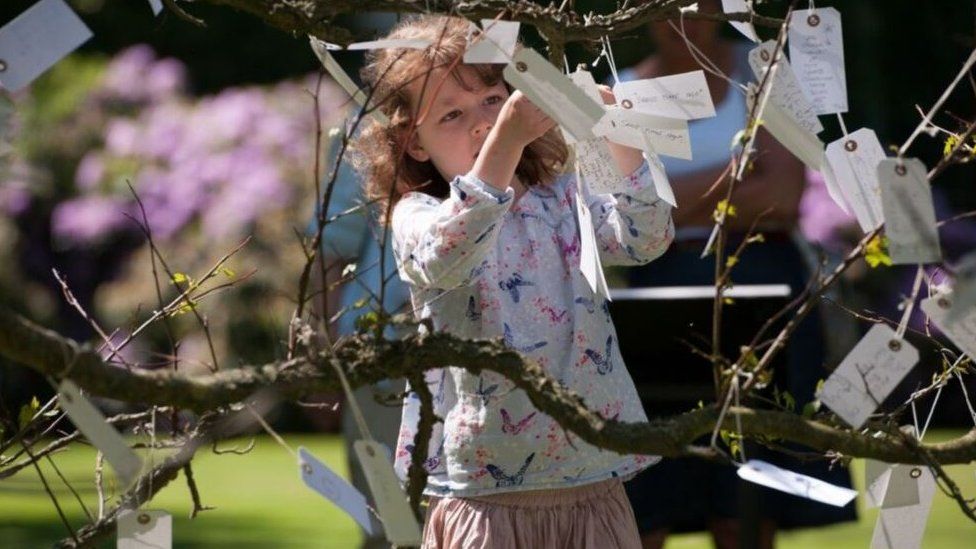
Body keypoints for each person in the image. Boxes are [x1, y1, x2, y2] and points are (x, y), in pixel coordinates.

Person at [351, 15, 674, 548]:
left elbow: (645, 237)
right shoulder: (419, 214)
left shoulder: (562, 196)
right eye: (452, 114)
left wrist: (619, 134)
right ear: (413, 143)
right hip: (485, 489)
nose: (481, 124)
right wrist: (506, 140)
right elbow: (449, 252)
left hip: (590, 476)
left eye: (492, 100)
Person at [617, 3, 856, 548]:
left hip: (763, 283)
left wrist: (666, 204)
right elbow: (617, 217)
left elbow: (783, 197)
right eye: (671, 10)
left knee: (748, 489)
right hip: (660, 292)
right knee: (652, 491)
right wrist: (733, 174)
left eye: (702, 8)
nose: (688, 22)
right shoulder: (620, 91)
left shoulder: (766, 73)